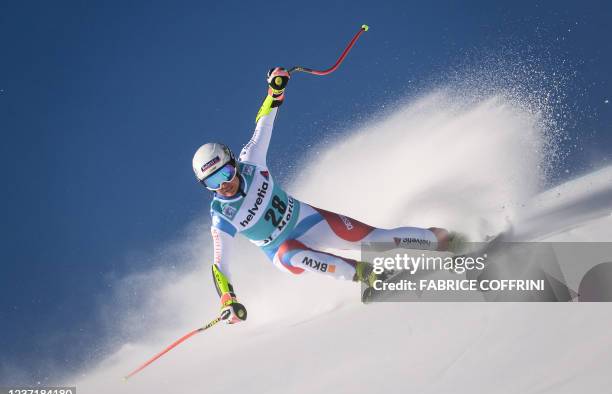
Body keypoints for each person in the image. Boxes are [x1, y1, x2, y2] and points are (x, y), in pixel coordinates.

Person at [192, 67, 466, 324]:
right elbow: (219, 265)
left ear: (233, 162)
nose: (223, 184)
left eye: (225, 172)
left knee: (376, 239)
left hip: (308, 220)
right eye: (212, 182)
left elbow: (265, 122)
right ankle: (366, 275)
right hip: (281, 250)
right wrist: (228, 299)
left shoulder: (251, 161)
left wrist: (275, 91)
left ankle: (446, 241)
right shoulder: (222, 216)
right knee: (291, 253)